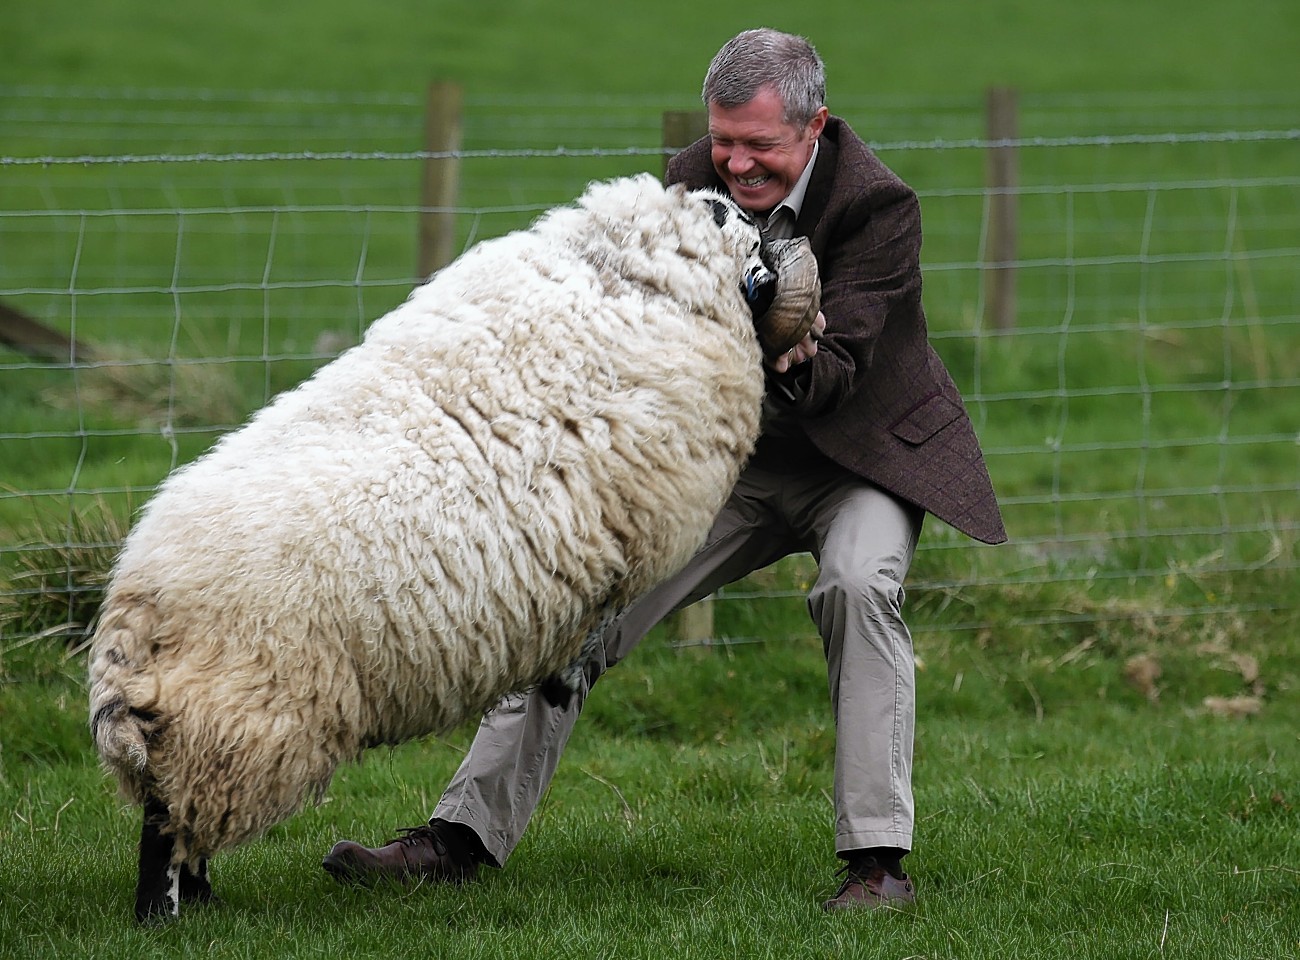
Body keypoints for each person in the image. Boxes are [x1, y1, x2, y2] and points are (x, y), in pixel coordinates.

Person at [322, 27, 1006, 911]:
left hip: (860, 457)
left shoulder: (879, 207)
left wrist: (784, 353)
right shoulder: (689, 181)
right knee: (580, 605)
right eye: (724, 140)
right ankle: (459, 837)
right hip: (735, 460)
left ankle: (878, 866)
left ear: (815, 127)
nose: (737, 163)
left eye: (759, 146)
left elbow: (846, 365)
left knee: (855, 587)